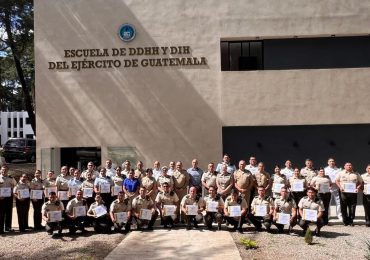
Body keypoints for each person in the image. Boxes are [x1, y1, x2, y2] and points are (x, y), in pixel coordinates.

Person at [0, 165, 16, 234]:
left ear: (8, 170)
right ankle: (0, 229)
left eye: (6, 170)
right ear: (0, 170)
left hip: (9, 198)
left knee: (9, 212)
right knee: (1, 213)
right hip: (0, 198)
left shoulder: (11, 178)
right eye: (3, 169)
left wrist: (13, 191)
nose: (4, 171)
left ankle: (8, 227)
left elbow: (16, 185)